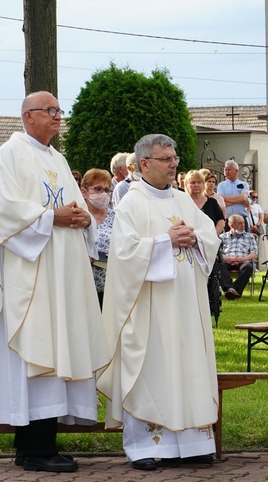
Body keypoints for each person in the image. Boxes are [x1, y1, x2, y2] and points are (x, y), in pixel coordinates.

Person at [0, 91, 109, 473]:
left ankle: (40, 445)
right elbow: (5, 209)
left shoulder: (56, 158)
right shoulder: (9, 154)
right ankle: (33, 448)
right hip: (33, 275)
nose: (58, 116)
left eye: (60, 111)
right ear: (29, 116)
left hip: (62, 273)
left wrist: (82, 219)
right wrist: (52, 218)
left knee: (58, 350)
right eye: (51, 111)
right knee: (39, 353)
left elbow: (72, 206)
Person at [97, 134, 220, 471]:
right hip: (150, 307)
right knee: (153, 369)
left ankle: (193, 444)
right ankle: (144, 447)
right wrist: (165, 242)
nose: (174, 163)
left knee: (188, 367)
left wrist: (195, 238)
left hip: (186, 304)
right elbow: (122, 255)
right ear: (144, 164)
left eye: (174, 157)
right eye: (166, 159)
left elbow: (210, 235)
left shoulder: (183, 200)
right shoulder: (131, 204)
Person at [185, 169, 225, 324]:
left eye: (199, 182)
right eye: (192, 182)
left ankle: (208, 313)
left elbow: (221, 221)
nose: (196, 185)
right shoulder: (182, 202)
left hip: (208, 247)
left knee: (210, 280)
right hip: (188, 247)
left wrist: (210, 236)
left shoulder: (212, 202)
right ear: (186, 185)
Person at [81, 168, 115, 310]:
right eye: (98, 189)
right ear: (84, 191)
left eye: (106, 190)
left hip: (110, 288)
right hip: (83, 288)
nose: (103, 194)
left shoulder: (116, 217)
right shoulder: (78, 216)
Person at [216, 214, 258, 299]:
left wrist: (242, 259)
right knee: (219, 265)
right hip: (227, 261)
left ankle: (233, 291)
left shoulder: (249, 237)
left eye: (243, 223)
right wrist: (228, 259)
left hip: (243, 261)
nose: (243, 225)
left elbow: (254, 254)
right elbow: (218, 253)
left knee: (249, 266)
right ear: (232, 225)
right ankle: (230, 288)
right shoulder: (222, 237)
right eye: (240, 223)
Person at [216, 160, 250, 225]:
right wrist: (238, 201)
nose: (227, 172)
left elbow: (243, 197)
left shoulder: (244, 184)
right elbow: (221, 201)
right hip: (227, 220)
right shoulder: (221, 185)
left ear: (236, 170)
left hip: (242, 220)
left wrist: (227, 199)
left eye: (229, 170)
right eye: (225, 170)